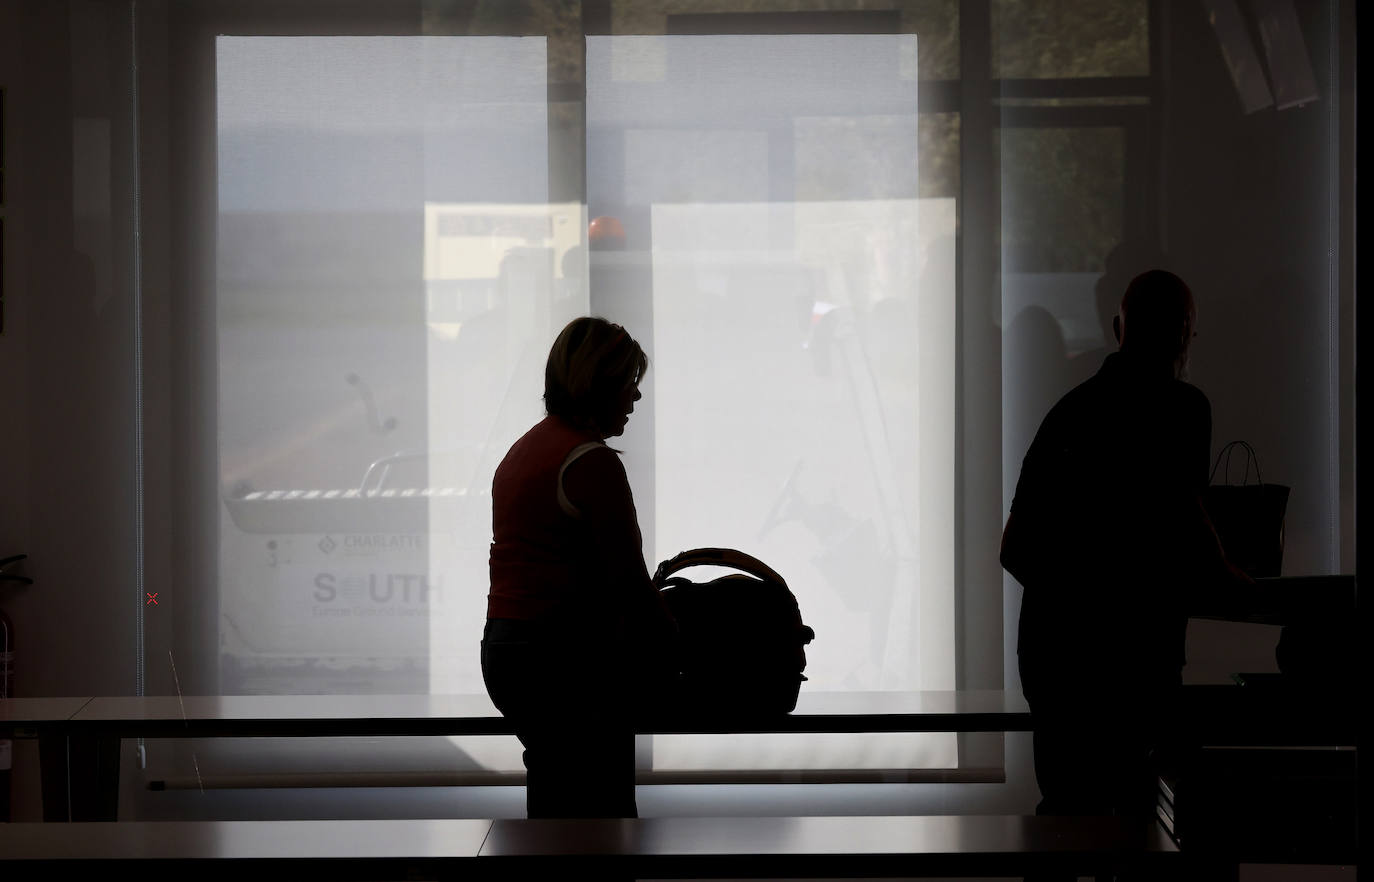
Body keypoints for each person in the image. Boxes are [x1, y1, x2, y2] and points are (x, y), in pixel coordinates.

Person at [1001, 270, 1249, 824]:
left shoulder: (1069, 413)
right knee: (1142, 821)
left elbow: (1014, 549)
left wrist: (1079, 607)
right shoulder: (1185, 409)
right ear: (1185, 335)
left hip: (1055, 657)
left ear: (1118, 328)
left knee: (1066, 815)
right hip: (1137, 662)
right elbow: (1183, 519)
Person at [482, 316, 678, 819]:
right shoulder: (591, 464)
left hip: (510, 651)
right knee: (600, 808)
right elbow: (629, 586)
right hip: (564, 660)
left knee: (557, 793)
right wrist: (678, 646)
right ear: (600, 383)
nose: (636, 397)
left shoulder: (525, 451)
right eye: (629, 382)